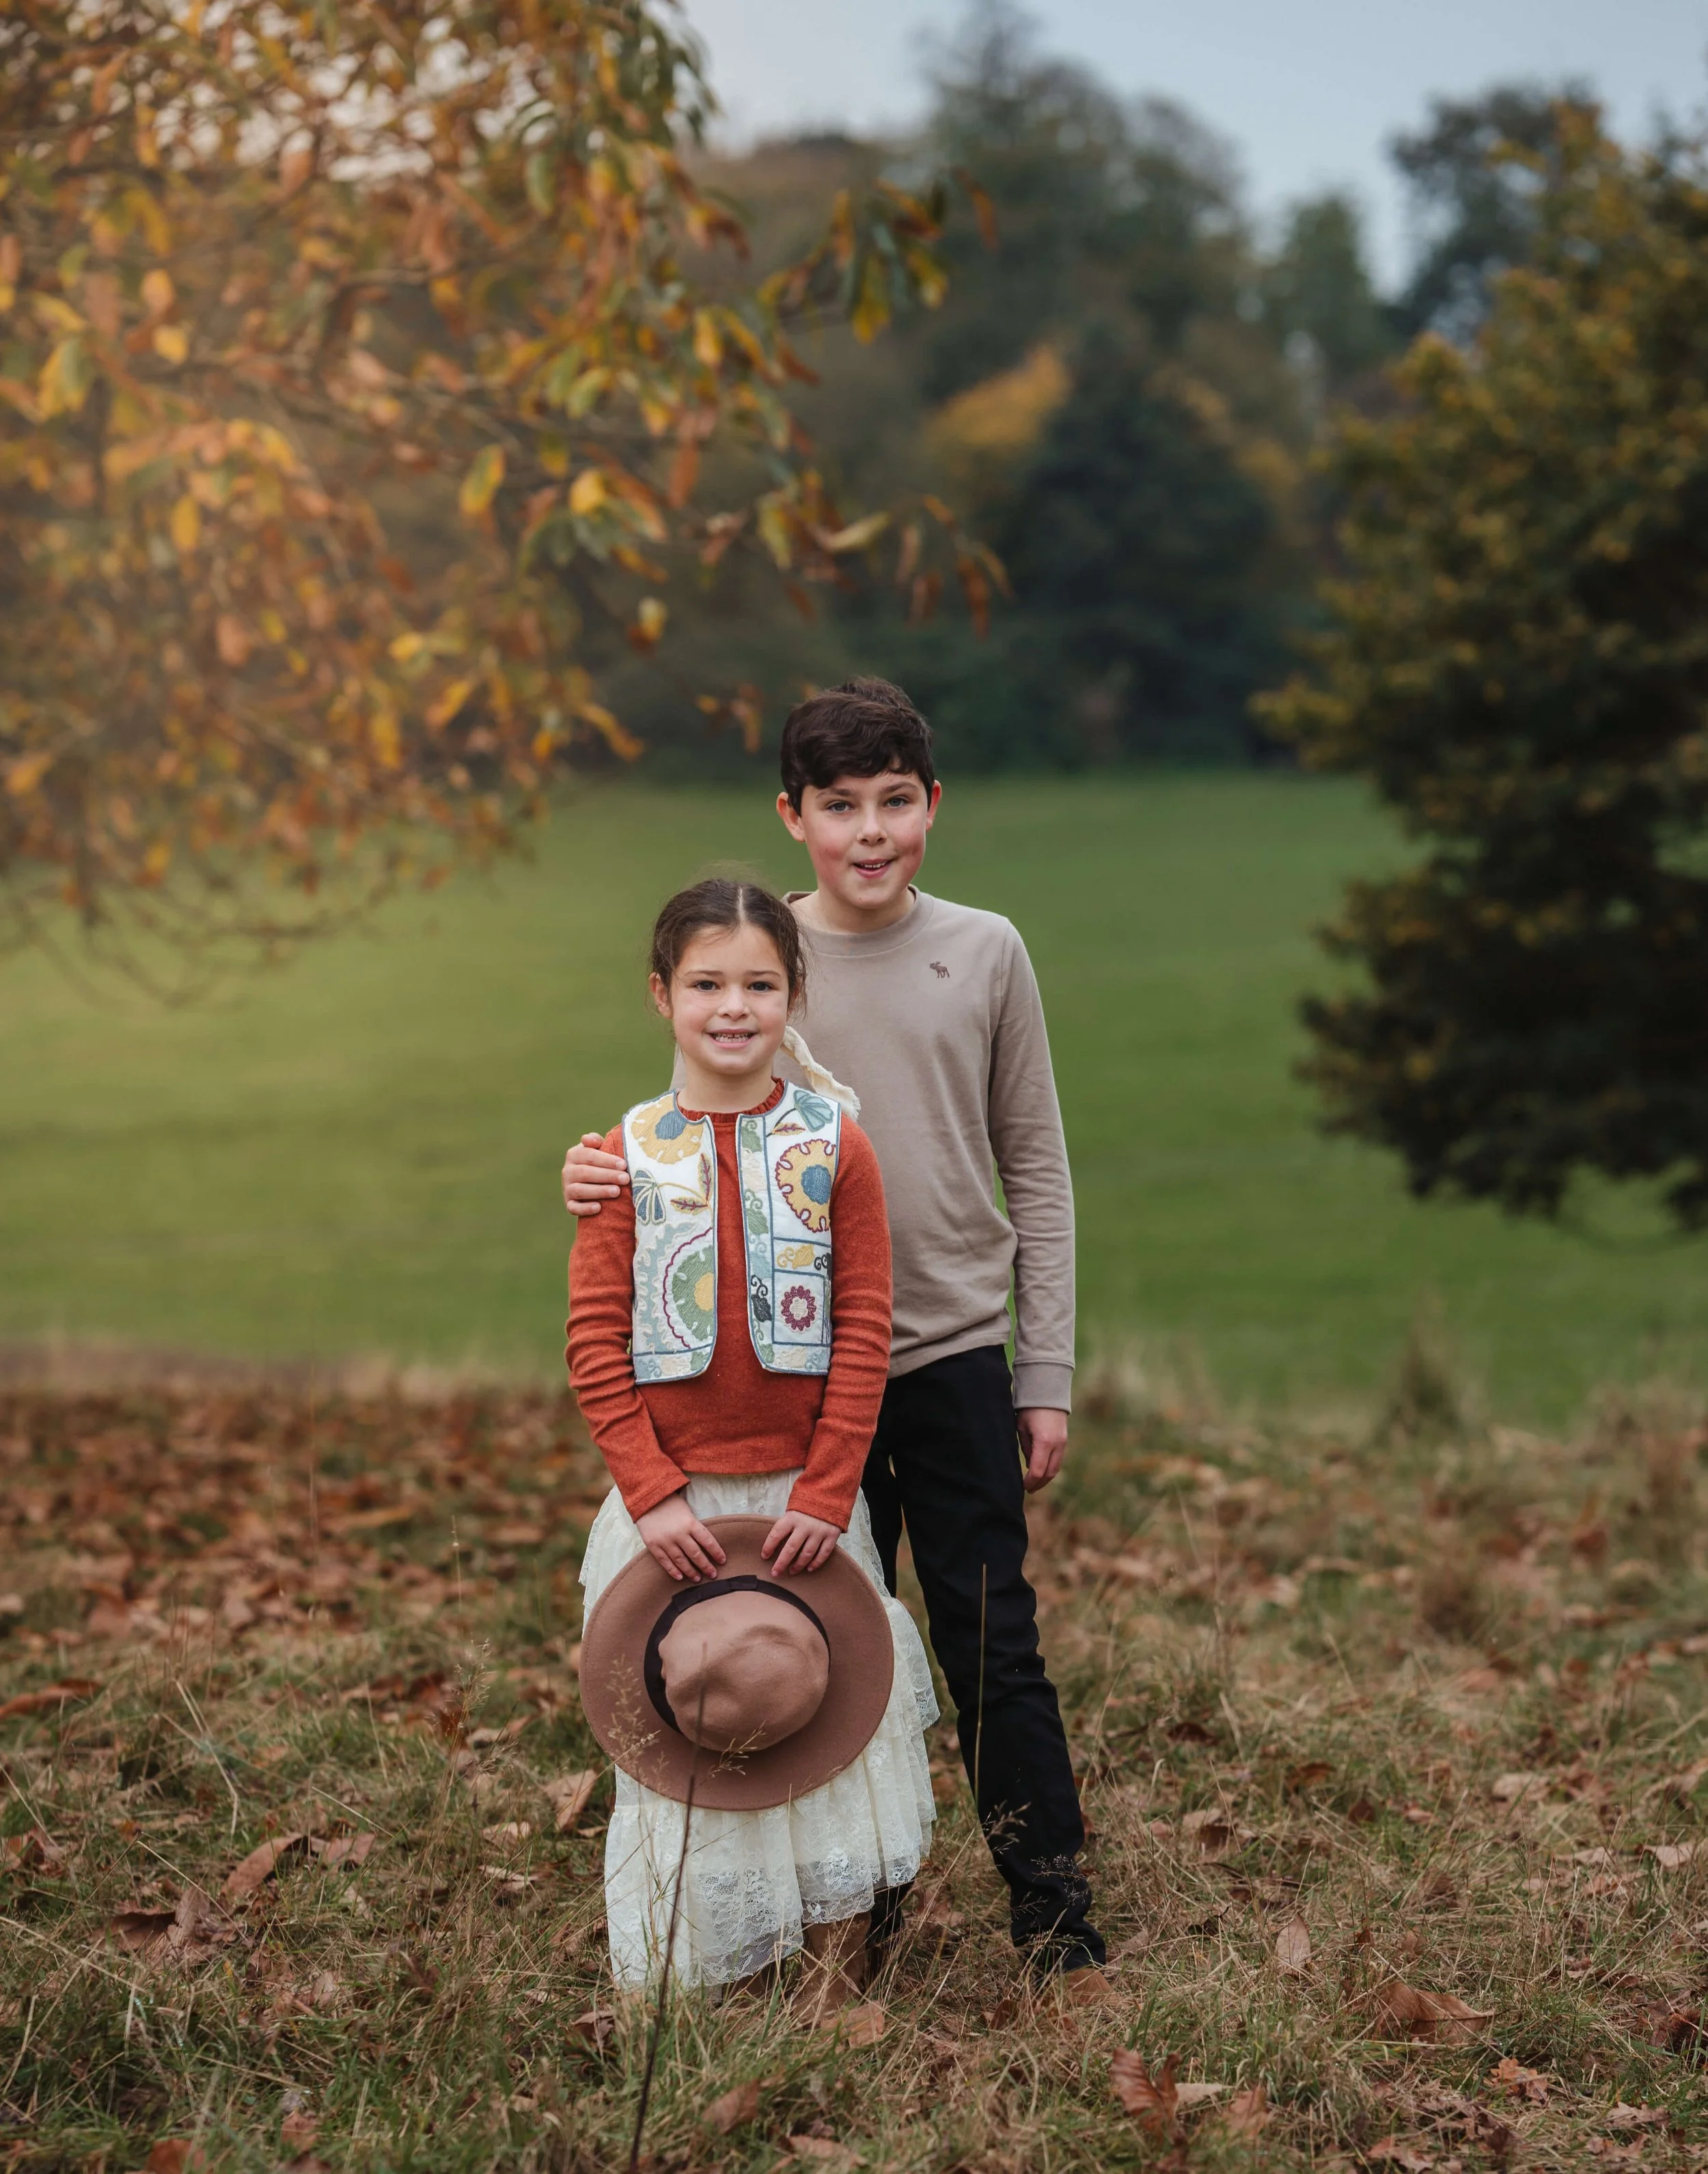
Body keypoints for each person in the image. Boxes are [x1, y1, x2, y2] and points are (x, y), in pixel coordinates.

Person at [562, 680, 1110, 2000]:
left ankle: (1059, 1922)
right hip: (804, 1392)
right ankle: (856, 1921)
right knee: (821, 1644)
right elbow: (687, 1117)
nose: (871, 832)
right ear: (793, 816)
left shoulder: (985, 951)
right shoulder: (756, 959)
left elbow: (1035, 1164)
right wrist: (593, 1171)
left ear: (933, 804)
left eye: (896, 802)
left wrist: (1044, 1370)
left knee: (992, 1643)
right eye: (840, 807)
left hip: (955, 1355)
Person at [566, 876, 937, 2009]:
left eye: (760, 984)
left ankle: (834, 1975)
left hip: (800, 1501)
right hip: (665, 1506)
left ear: (793, 994)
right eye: (708, 983)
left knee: (814, 1713)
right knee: (694, 1717)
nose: (734, 1006)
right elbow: (594, 1344)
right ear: (661, 995)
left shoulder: (837, 1146)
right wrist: (654, 1494)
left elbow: (864, 1329)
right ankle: (707, 1971)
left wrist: (829, 1494)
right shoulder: (624, 1155)